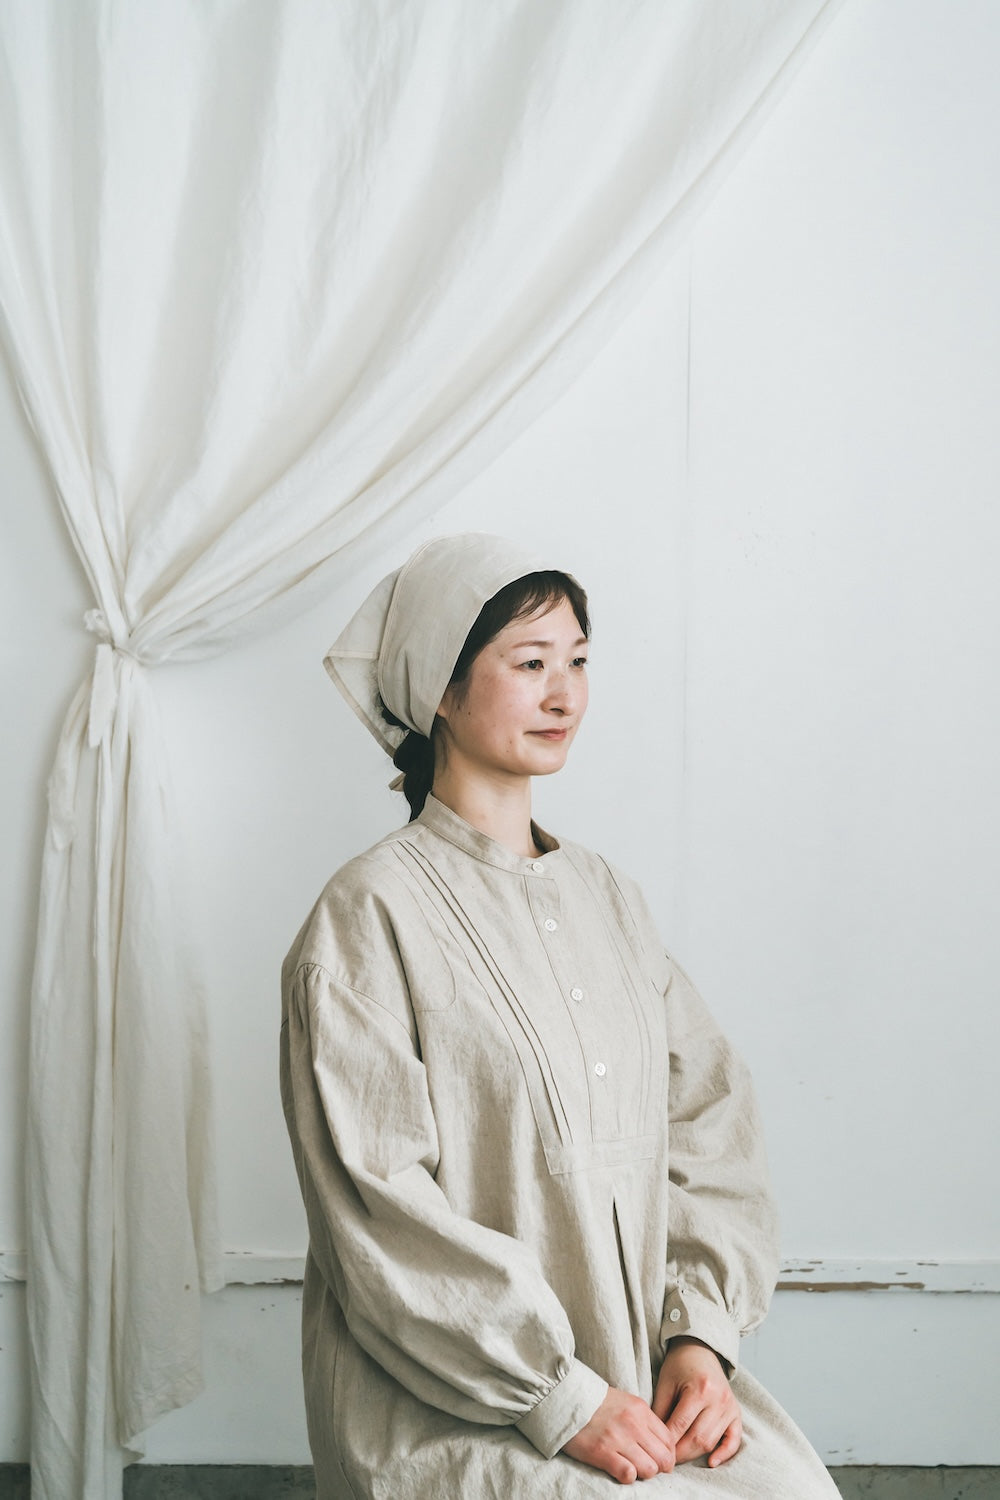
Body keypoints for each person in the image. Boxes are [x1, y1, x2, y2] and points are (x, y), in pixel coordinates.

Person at [280, 533, 839, 1498]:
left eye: (578, 662)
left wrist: (699, 1337)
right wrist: (561, 1397)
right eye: (530, 663)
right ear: (440, 688)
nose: (565, 695)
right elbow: (378, 1208)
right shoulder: (366, 913)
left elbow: (708, 1120)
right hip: (455, 1402)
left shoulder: (609, 898)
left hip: (638, 1371)